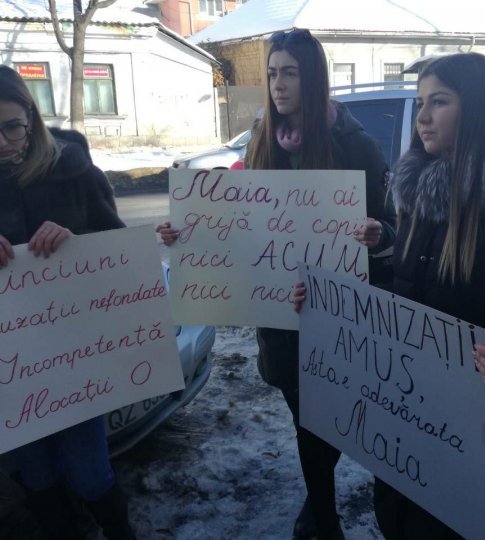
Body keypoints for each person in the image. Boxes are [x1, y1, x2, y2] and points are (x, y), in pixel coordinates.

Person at [297, 53, 485, 539]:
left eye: (439, 102)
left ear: (474, 107)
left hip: (477, 416)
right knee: (394, 516)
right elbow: (407, 292)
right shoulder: (419, 190)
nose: (423, 117)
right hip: (405, 403)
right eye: (419, 104)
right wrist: (332, 303)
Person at [157, 29, 394, 540]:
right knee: (307, 423)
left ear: (313, 78)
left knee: (332, 424)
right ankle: (325, 517)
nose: (278, 84)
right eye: (271, 73)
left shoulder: (358, 148)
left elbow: (386, 229)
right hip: (281, 320)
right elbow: (237, 226)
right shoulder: (262, 141)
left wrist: (379, 237)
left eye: (290, 72)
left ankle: (319, 499)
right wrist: (187, 235)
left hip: (338, 318)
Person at [0, 65, 135, 540]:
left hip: (75, 358)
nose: (1, 140)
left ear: (32, 120)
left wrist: (75, 242)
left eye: (10, 126)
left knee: (89, 472)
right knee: (35, 475)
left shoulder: (73, 171)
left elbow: (122, 254)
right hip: (10, 370)